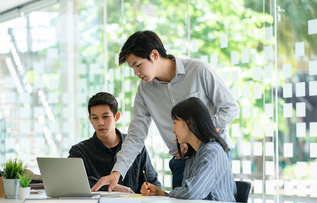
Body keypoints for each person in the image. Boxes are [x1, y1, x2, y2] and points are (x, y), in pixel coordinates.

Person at [92, 30, 239, 192]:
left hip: (212, 157)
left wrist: (197, 134)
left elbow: (230, 108)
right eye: (132, 68)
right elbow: (136, 136)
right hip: (181, 162)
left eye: (138, 65)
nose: (136, 73)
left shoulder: (198, 70)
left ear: (154, 55)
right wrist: (116, 172)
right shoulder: (145, 90)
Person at [139, 97, 243, 203]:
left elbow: (191, 192)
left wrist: (165, 195)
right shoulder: (195, 155)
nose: (173, 130)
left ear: (190, 122)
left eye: (175, 123)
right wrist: (161, 194)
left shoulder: (212, 152)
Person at [69, 92, 168, 203]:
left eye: (105, 116)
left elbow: (153, 182)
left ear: (116, 117)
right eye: (95, 118)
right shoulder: (80, 151)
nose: (100, 122)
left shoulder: (135, 147)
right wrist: (110, 187)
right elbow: (73, 182)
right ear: (90, 119)